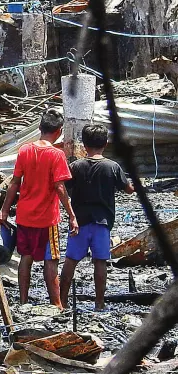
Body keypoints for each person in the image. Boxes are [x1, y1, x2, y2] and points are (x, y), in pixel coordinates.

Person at [0, 109, 78, 308]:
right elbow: (60, 188)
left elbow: (14, 183)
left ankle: (23, 301)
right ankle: (56, 304)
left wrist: (4, 211)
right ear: (59, 131)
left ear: (40, 128)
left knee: (26, 257)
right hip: (47, 219)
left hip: (24, 216)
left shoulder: (24, 150)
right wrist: (72, 215)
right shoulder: (56, 155)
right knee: (51, 260)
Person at [60, 124, 134, 311]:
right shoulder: (112, 167)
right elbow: (128, 190)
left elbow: (64, 187)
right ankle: (99, 303)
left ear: (84, 145)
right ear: (106, 144)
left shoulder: (76, 166)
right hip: (102, 222)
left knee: (70, 260)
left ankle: (62, 301)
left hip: (79, 221)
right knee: (100, 262)